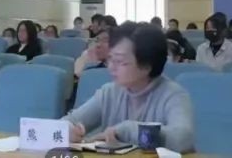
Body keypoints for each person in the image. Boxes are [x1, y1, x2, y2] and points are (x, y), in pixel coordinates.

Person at [63, 23, 194, 152]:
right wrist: (68, 131)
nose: (111, 67)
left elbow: (183, 139)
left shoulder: (173, 95)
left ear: (147, 66)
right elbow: (70, 121)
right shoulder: (109, 93)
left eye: (120, 61)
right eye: (110, 59)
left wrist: (126, 130)